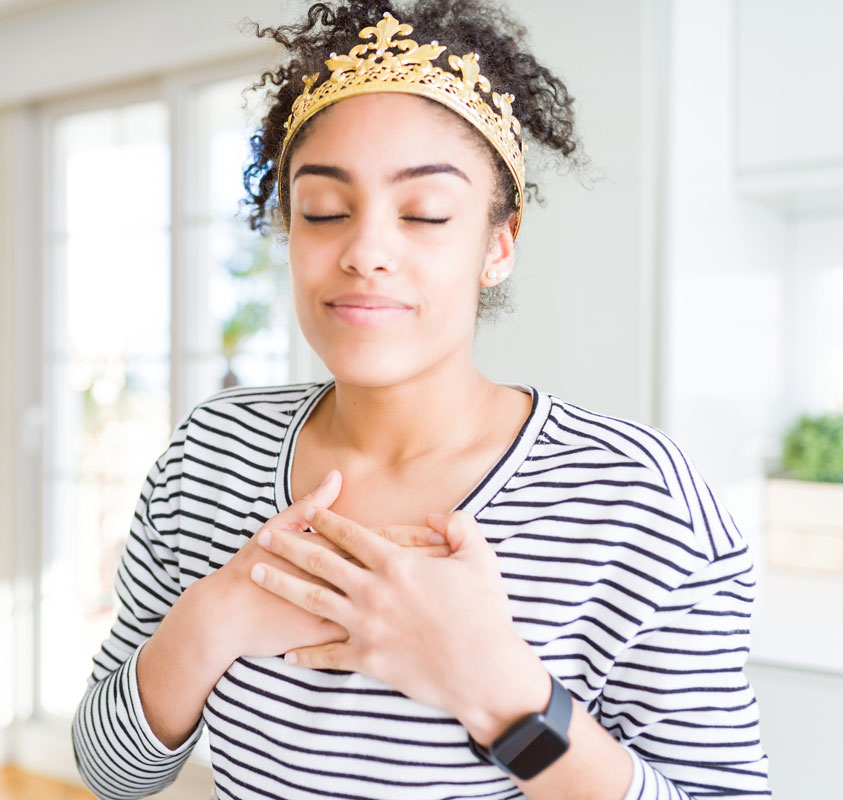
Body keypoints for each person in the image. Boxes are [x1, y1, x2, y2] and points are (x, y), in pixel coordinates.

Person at [71, 2, 772, 798]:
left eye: (426, 214)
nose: (365, 251)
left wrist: (498, 691)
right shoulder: (208, 455)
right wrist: (212, 621)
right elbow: (110, 772)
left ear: (496, 245)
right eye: (325, 212)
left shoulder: (639, 501)